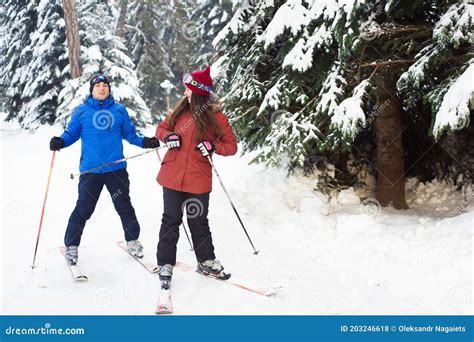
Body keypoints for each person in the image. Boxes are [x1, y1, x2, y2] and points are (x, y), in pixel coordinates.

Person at [50, 74, 160, 265]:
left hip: (116, 170)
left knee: (124, 205)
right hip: (90, 171)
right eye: (98, 85)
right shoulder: (82, 111)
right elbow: (70, 134)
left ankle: (133, 241)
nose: (102, 88)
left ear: (109, 89)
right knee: (84, 208)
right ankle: (71, 246)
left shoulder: (119, 110)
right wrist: (60, 141)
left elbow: (131, 134)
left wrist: (146, 142)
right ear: (91, 90)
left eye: (105, 85)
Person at [154, 66, 237, 283]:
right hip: (172, 175)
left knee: (198, 220)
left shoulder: (217, 117)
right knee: (171, 219)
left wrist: (213, 146)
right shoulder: (179, 111)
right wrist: (169, 136)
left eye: (188, 89)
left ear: (198, 92)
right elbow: (160, 130)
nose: (184, 93)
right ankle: (165, 262)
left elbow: (231, 146)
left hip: (198, 178)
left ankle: (206, 261)